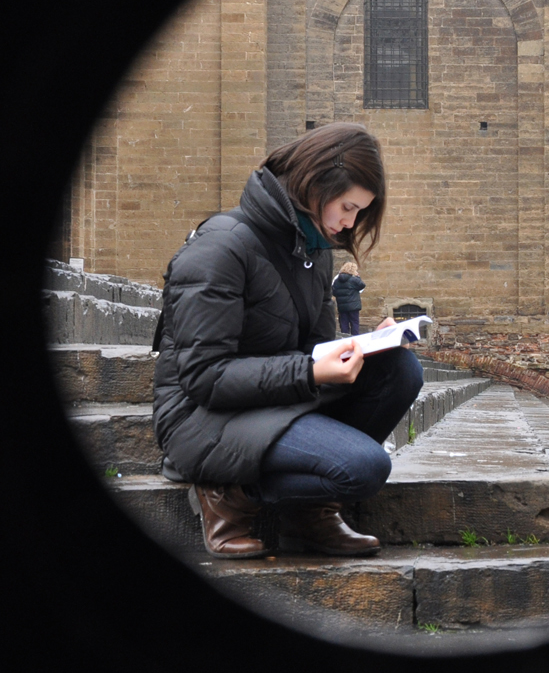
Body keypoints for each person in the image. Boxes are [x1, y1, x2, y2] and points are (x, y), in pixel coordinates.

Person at [152, 122, 422, 559]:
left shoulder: (313, 249)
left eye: (359, 213)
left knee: (399, 369)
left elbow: (314, 347)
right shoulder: (219, 248)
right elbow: (203, 378)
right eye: (347, 207)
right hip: (201, 417)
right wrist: (311, 370)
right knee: (365, 467)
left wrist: (368, 345)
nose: (349, 224)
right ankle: (227, 493)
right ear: (315, 184)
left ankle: (309, 513)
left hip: (270, 403)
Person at [331, 261, 365, 336]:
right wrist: (357, 276)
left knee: (344, 324)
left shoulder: (337, 280)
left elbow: (334, 292)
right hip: (354, 305)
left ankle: (345, 340)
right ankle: (355, 339)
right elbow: (362, 285)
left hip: (342, 306)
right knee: (354, 323)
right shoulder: (354, 279)